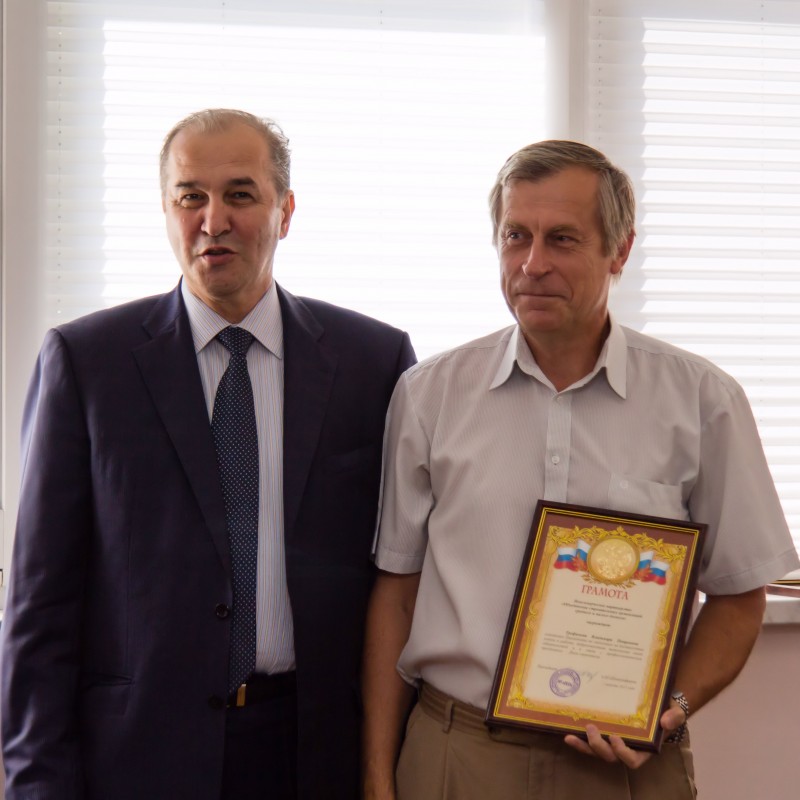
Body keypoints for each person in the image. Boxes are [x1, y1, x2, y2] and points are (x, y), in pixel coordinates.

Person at [362, 140, 799, 800]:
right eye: (516, 236)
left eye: (562, 239)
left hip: (625, 766)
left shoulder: (704, 401)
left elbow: (739, 595)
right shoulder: (429, 394)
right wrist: (376, 777)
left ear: (619, 251)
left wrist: (670, 708)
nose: (532, 264)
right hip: (459, 754)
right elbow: (397, 591)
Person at [0, 108, 415, 800]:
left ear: (285, 212)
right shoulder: (87, 362)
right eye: (190, 196)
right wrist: (36, 784)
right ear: (167, 211)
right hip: (140, 759)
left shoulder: (374, 362)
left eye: (240, 195)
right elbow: (40, 604)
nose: (212, 220)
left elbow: (401, 580)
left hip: (316, 754)